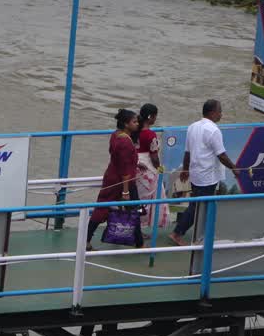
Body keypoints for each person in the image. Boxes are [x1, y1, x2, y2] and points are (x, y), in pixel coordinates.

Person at [169, 99, 237, 245]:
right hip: (207, 176)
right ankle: (177, 233)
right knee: (197, 207)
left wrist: (186, 169)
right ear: (212, 112)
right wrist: (234, 168)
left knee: (200, 205)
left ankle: (203, 233)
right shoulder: (213, 131)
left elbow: (187, 152)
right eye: (220, 111)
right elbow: (222, 155)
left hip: (196, 174)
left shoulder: (193, 127)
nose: (221, 114)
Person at [89, 109, 144, 249]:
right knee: (132, 209)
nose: (137, 124)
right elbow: (125, 168)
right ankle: (139, 243)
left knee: (103, 207)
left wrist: (136, 163)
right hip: (122, 181)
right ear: (126, 124)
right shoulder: (125, 142)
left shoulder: (116, 135)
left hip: (112, 176)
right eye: (134, 122)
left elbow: (119, 159)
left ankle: (139, 241)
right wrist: (125, 191)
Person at [133, 103, 168, 231]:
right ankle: (141, 229)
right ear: (151, 117)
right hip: (146, 167)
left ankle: (135, 229)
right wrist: (160, 168)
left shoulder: (133, 131)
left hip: (134, 165)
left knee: (136, 198)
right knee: (149, 201)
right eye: (155, 116)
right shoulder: (150, 134)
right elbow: (154, 157)